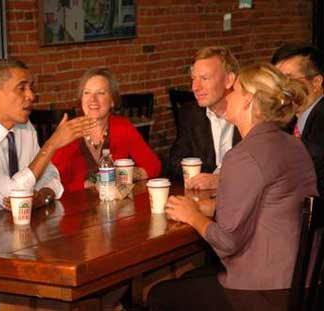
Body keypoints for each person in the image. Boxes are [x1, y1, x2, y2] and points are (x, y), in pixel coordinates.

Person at [148, 63, 317, 311]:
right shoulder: (291, 143)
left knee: (160, 295)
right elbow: (271, 205)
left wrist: (193, 216)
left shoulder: (244, 156)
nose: (229, 94)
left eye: (235, 90)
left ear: (248, 100)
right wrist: (214, 207)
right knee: (188, 281)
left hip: (267, 291)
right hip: (306, 281)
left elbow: (227, 243)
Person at [0, 58, 96, 209]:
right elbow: (10, 197)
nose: (31, 96)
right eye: (21, 88)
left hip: (13, 225)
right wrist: (51, 145)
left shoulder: (24, 127)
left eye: (31, 88)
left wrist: (41, 197)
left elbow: (51, 177)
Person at [51, 68, 161, 192]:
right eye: (87, 93)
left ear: (112, 100)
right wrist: (88, 184)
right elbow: (53, 183)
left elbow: (154, 166)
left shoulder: (122, 127)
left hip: (118, 207)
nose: (92, 99)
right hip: (77, 207)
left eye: (100, 93)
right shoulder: (70, 132)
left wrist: (123, 174)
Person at [167, 46, 241, 190]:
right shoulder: (190, 114)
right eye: (193, 79)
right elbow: (174, 162)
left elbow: (261, 170)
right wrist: (198, 176)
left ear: (228, 80)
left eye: (204, 78)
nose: (195, 87)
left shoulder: (250, 113)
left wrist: (220, 180)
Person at [271, 43, 324, 196]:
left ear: (316, 83)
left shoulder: (320, 121)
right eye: (278, 81)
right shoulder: (290, 121)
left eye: (289, 79)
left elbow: (300, 176)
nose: (282, 88)